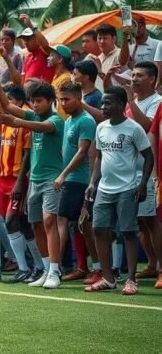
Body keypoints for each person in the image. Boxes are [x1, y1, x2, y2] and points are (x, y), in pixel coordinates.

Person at [85, 86, 153, 295]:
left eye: (108, 103)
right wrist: (92, 182)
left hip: (127, 187)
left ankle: (131, 280)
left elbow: (149, 156)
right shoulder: (101, 127)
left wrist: (142, 185)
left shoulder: (133, 129)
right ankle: (108, 278)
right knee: (98, 229)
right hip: (105, 188)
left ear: (122, 106)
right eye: (102, 103)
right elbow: (100, 157)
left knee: (128, 232)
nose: (103, 106)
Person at [0, 81, 63, 288]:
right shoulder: (33, 116)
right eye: (32, 101)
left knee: (49, 222)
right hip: (34, 179)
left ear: (51, 101)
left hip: (52, 179)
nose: (35, 105)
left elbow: (43, 127)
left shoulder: (56, 120)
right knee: (36, 225)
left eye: (39, 101)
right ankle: (45, 269)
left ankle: (55, 271)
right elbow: (6, 106)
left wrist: (18, 122)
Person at [0, 83, 41, 283]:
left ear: (19, 102)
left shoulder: (25, 120)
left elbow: (28, 152)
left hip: (18, 179)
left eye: (9, 100)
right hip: (2, 179)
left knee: (13, 220)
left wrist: (20, 182)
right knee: (15, 223)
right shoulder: (5, 121)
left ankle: (28, 266)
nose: (5, 104)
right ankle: (32, 267)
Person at [52, 82, 96, 288]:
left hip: (78, 180)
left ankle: (54, 269)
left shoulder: (86, 121)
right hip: (71, 179)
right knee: (81, 225)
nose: (63, 103)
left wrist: (63, 175)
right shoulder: (69, 120)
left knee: (61, 220)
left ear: (79, 99)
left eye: (67, 99)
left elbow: (82, 152)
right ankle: (91, 267)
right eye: (60, 99)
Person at [125, 61, 162, 286]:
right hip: (130, 170)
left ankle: (161, 268)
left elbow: (148, 126)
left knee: (152, 220)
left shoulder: (157, 102)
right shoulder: (134, 102)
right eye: (133, 75)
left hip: (147, 170)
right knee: (139, 221)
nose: (134, 79)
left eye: (139, 76)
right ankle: (151, 264)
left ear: (152, 79)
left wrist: (129, 100)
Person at [19, 14, 54, 84]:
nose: (25, 42)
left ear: (36, 38)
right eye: (24, 39)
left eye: (28, 39)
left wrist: (31, 27)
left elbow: (45, 45)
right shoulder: (28, 57)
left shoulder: (44, 52)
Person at [96, 24, 126, 90]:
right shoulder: (98, 58)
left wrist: (99, 71)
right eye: (99, 38)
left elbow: (115, 82)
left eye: (105, 38)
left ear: (114, 39)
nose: (102, 41)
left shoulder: (119, 54)